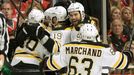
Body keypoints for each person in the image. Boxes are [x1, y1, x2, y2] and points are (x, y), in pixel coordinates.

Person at [40, 23, 134, 75]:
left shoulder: (67, 47)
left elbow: (50, 64)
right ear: (95, 36)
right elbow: (123, 62)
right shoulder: (102, 50)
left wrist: (44, 61)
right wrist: (129, 52)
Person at [11, 8, 60, 75]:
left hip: (15, 62)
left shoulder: (23, 28)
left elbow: (16, 42)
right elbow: (55, 50)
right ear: (42, 20)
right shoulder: (46, 31)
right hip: (33, 64)